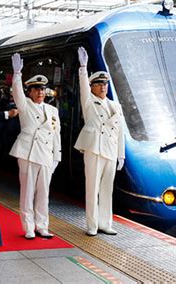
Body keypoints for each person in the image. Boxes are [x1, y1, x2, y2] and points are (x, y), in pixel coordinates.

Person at [9, 53, 61, 240]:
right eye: (36, 89)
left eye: (43, 90)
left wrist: (57, 156)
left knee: (44, 193)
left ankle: (42, 226)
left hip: (46, 155)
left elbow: (56, 134)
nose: (40, 92)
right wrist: (17, 74)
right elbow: (16, 92)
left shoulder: (52, 110)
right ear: (30, 91)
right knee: (27, 191)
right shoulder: (25, 105)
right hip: (28, 153)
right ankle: (29, 227)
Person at [74, 47, 125, 236]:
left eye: (105, 84)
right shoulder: (89, 103)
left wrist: (121, 155)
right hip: (94, 149)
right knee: (92, 188)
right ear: (92, 86)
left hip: (111, 151)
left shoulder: (115, 106)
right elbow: (83, 89)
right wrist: (83, 67)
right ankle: (92, 225)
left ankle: (106, 223)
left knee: (106, 189)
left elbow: (120, 133)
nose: (103, 87)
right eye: (98, 84)